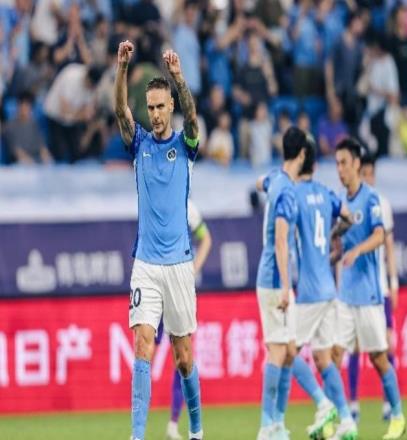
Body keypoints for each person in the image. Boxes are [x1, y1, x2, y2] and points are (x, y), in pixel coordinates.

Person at [113, 40, 203, 440]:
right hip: (146, 265)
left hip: (179, 264)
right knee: (143, 345)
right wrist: (121, 67)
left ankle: (196, 430)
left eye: (161, 107)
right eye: (150, 108)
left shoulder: (186, 146)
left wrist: (179, 78)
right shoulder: (140, 145)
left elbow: (194, 118)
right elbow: (120, 111)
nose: (155, 114)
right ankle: (137, 436)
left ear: (170, 107)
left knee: (184, 358)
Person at [334, 138, 405, 440]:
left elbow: (379, 236)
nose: (340, 169)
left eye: (344, 163)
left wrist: (357, 250)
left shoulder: (371, 199)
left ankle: (397, 416)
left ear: (356, 164)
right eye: (337, 164)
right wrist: (334, 253)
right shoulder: (340, 202)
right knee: (333, 357)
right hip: (344, 296)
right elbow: (339, 242)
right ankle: (342, 420)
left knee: (378, 358)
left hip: (369, 296)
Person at [290, 135, 356, 439]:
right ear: (316, 165)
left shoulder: (294, 195)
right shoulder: (326, 193)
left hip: (309, 291)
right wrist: (334, 236)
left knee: (286, 352)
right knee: (322, 359)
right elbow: (349, 218)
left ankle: (323, 404)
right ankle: (347, 420)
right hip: (329, 288)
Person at [255, 127, 306, 440]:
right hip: (275, 279)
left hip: (274, 278)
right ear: (302, 154)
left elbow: (258, 182)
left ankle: (277, 422)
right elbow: (281, 241)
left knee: (289, 350)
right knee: (278, 351)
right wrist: (287, 285)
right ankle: (266, 426)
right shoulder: (286, 190)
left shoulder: (274, 179)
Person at [348, 154, 399, 423]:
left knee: (387, 344)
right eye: (364, 173)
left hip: (380, 288)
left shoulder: (382, 203)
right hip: (355, 288)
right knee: (355, 347)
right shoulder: (350, 203)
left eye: (371, 174)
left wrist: (393, 282)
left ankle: (389, 404)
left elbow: (388, 245)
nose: (368, 178)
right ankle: (353, 404)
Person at [160, 200, 212, 440]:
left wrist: (193, 269)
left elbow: (206, 239)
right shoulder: (155, 200)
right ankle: (138, 429)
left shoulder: (189, 208)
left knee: (181, 357)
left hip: (179, 288)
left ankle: (175, 424)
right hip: (156, 286)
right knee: (145, 353)